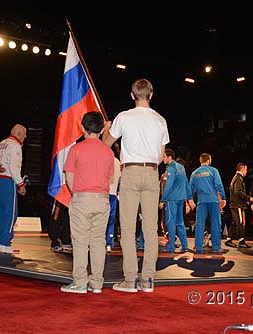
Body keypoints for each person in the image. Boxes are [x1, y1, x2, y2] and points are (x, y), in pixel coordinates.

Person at [102, 78, 170, 293]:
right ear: (151, 94)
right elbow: (161, 157)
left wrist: (107, 129)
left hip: (130, 172)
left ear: (132, 95)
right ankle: (148, 279)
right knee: (151, 230)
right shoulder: (160, 120)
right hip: (151, 172)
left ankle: (130, 280)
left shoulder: (123, 117)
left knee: (129, 229)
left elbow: (105, 144)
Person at [60, 111, 114, 294]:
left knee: (81, 242)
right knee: (98, 242)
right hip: (102, 200)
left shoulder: (76, 149)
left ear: (82, 128)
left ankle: (80, 282)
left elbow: (69, 176)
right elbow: (109, 177)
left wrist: (78, 194)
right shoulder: (108, 152)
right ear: (101, 130)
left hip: (82, 199)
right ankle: (97, 283)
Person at [0, 124, 27, 254]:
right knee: (10, 213)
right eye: (24, 134)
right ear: (19, 134)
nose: (26, 136)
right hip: (8, 182)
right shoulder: (15, 146)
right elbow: (13, 168)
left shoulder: (1, 144)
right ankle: (4, 243)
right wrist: (21, 184)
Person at [188, 153, 226, 254]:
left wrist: (190, 200)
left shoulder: (194, 173)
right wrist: (223, 198)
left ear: (201, 161)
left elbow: (190, 189)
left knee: (200, 224)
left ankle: (198, 247)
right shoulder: (213, 170)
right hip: (213, 201)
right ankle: (216, 247)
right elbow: (218, 185)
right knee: (216, 224)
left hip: (201, 201)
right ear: (209, 160)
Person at [159, 148, 191, 253]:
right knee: (180, 222)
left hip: (172, 199)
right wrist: (189, 198)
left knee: (170, 222)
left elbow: (168, 185)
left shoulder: (171, 168)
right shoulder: (181, 167)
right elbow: (186, 183)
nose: (163, 159)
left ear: (169, 157)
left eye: (164, 157)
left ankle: (171, 246)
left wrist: (163, 200)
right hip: (180, 199)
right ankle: (185, 245)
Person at [226, 163, 252, 248]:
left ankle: (229, 239)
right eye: (246, 170)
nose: (246, 172)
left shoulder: (236, 178)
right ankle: (241, 241)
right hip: (237, 204)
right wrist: (248, 198)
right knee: (240, 222)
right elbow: (238, 192)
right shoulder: (238, 178)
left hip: (235, 204)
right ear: (243, 169)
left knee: (234, 222)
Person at [106, 157, 121, 252]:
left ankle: (97, 243)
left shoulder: (103, 158)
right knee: (111, 220)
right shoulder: (117, 162)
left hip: (103, 194)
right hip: (113, 194)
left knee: (99, 219)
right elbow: (120, 179)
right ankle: (108, 243)